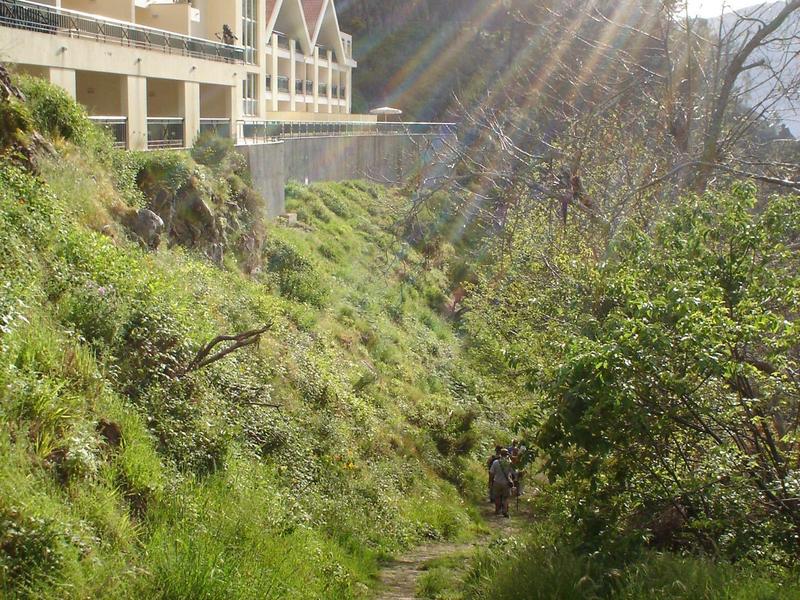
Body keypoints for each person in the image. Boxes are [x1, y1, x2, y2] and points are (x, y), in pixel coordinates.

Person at [489, 448, 515, 518]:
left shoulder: (495, 462)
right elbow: (513, 473)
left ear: (500, 454)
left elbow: (491, 473)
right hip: (506, 483)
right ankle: (505, 511)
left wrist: (490, 482)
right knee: (505, 498)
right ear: (507, 454)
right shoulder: (509, 463)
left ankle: (497, 510)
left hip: (497, 481)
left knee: (497, 497)